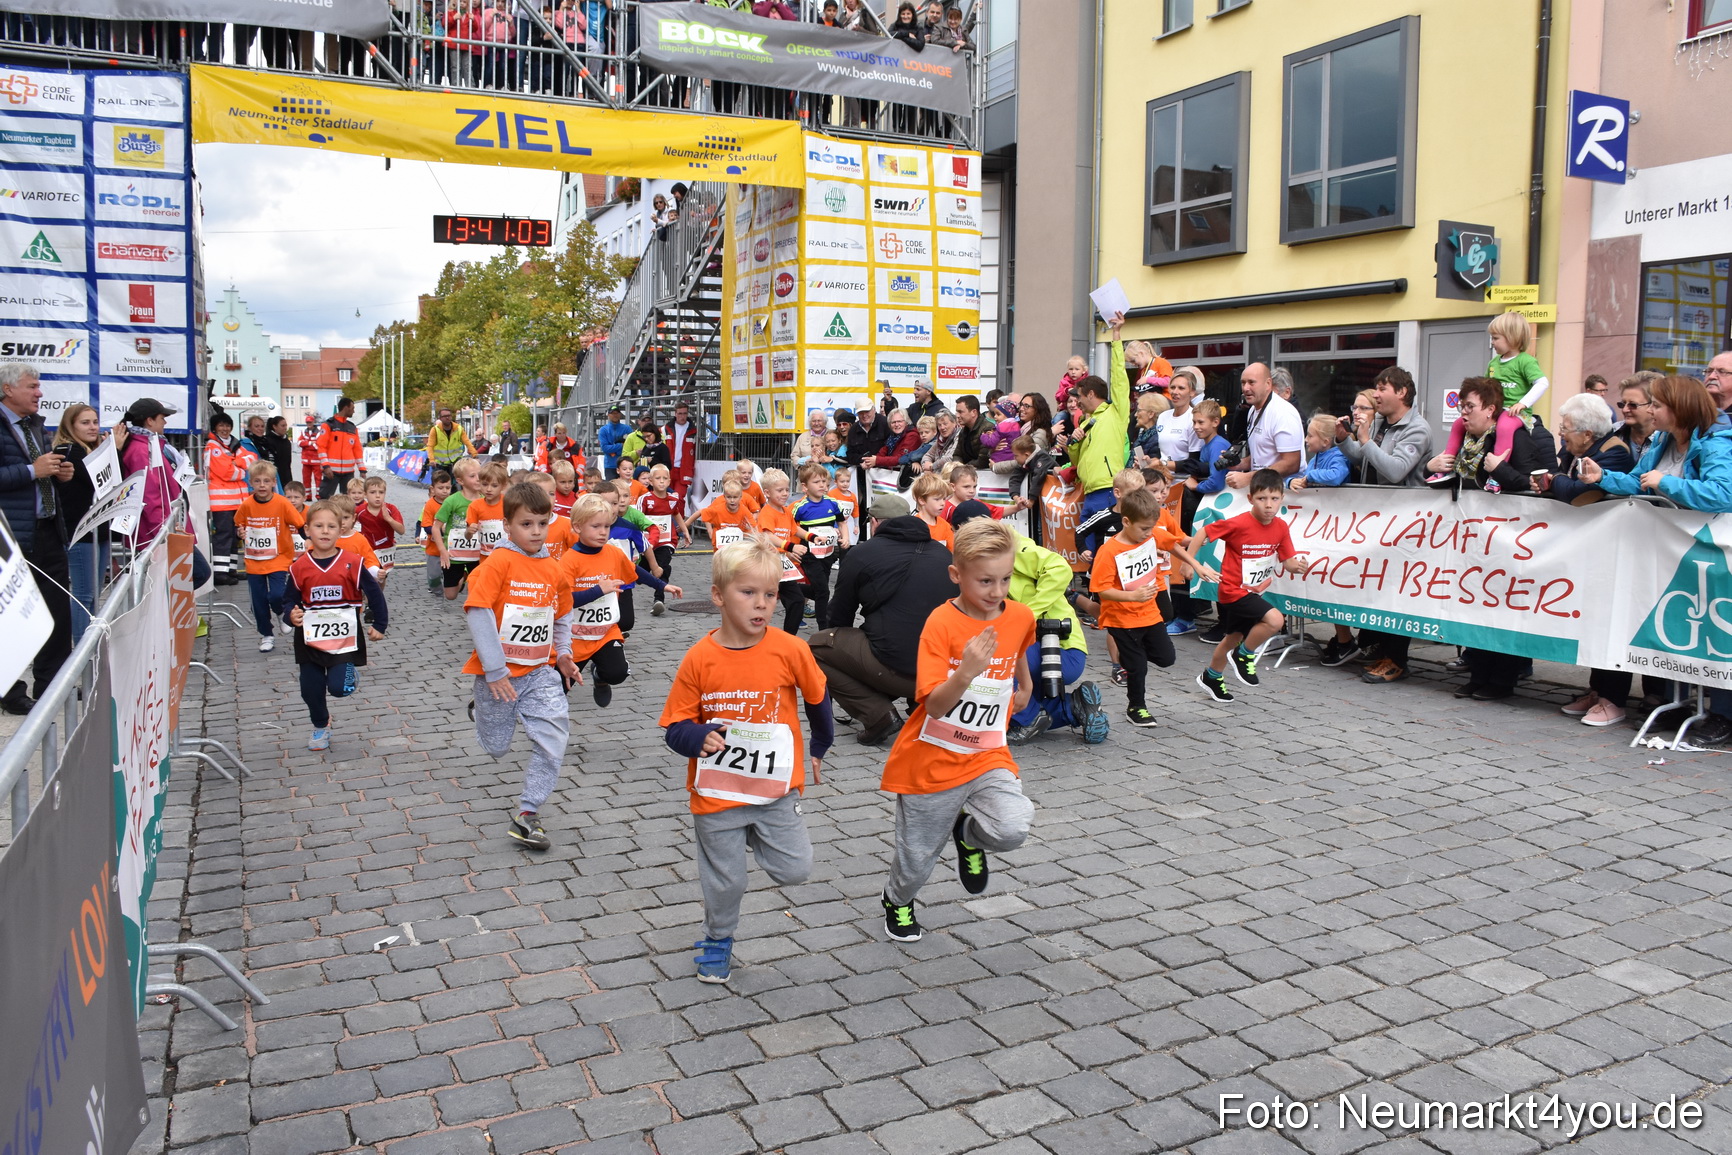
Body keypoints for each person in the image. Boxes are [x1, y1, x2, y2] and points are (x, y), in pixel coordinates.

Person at [659, 535, 833, 984]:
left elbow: (818, 698)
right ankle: (718, 939)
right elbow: (675, 729)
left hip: (774, 788)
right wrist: (698, 737)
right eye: (748, 593)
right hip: (717, 795)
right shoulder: (699, 659)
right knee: (726, 881)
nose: (762, 605)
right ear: (718, 595)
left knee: (795, 870)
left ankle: (757, 835)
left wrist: (819, 746)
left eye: (770, 595)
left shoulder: (790, 649)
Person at [875, 520, 1035, 943]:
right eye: (985, 581)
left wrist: (1026, 683)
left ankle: (968, 833)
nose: (997, 591)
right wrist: (965, 672)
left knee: (1013, 825)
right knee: (916, 858)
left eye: (1005, 579)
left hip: (987, 755)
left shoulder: (1018, 614)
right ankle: (898, 899)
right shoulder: (940, 624)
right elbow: (935, 705)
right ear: (956, 575)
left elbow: (1018, 645)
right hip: (933, 759)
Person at [462, 481, 580, 850]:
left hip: (540, 673)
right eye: (527, 524)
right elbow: (478, 611)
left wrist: (563, 654)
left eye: (542, 524)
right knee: (496, 747)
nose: (536, 532)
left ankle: (528, 813)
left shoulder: (555, 569)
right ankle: (481, 707)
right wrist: (494, 670)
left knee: (553, 739)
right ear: (508, 525)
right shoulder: (498, 562)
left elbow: (562, 615)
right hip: (498, 677)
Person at [811, 493, 955, 746]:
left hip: (895, 666)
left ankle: (878, 715)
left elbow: (840, 616)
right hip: (943, 670)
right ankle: (921, 710)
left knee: (816, 647)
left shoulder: (863, 553)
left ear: (875, 522)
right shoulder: (944, 555)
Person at [1331, 366, 1435, 680]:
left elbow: (1395, 471)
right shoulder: (1381, 424)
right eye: (1375, 388)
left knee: (1397, 592)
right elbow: (1366, 460)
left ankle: (1397, 660)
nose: (1376, 395)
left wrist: (1363, 439)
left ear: (1402, 392)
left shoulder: (1417, 428)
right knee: (1377, 589)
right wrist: (1344, 441)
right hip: (1378, 522)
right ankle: (1381, 651)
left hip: (1405, 523)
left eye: (1382, 388)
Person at [1093, 487, 1217, 729]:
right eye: (1143, 529)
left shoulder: (1150, 535)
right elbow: (1102, 589)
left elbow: (1172, 544)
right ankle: (1136, 707)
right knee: (1137, 667)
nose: (1148, 534)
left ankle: (1133, 656)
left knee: (1166, 659)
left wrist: (1195, 564)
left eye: (1151, 528)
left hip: (1149, 614)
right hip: (1121, 619)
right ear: (1126, 521)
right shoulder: (1108, 552)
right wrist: (1133, 597)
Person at [1191, 469, 1312, 705]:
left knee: (1231, 638)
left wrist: (1298, 566)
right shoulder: (1239, 523)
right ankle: (1245, 655)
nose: (1268, 505)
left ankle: (1212, 677)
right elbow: (1205, 531)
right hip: (1233, 591)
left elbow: (1287, 562)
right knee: (1275, 620)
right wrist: (1191, 563)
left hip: (1254, 590)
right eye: (1262, 498)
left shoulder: (1281, 527)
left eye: (1274, 499)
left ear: (1282, 499)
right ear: (1250, 499)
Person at [283, 500, 388, 752]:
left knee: (340, 688)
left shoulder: (353, 562)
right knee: (310, 688)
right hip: (309, 641)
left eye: (332, 526)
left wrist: (380, 624)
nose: (325, 531)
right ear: (307, 530)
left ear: (341, 530)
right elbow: (288, 600)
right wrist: (291, 615)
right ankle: (320, 726)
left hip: (345, 641)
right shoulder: (298, 567)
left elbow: (374, 594)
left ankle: (350, 673)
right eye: (319, 526)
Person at [0, 364, 74, 713]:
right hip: (12, 539)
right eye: (32, 387)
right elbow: (26, 472)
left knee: (57, 611)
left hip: (47, 531)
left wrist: (60, 475)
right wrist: (34, 470)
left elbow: (44, 471)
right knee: (12, 617)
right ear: (7, 389)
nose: (39, 393)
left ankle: (53, 683)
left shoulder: (36, 426)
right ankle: (11, 692)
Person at [1427, 312, 1551, 493]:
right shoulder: (1494, 363)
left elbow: (1542, 383)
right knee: (1457, 424)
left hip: (1514, 412)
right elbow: (1485, 389)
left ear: (1512, 337)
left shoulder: (1526, 361)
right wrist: (1430, 467)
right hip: (1500, 410)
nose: (1492, 342)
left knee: (1505, 428)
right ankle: (1446, 466)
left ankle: (1495, 475)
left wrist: (1523, 403)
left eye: (1495, 338)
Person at [1056, 313, 1133, 557]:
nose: (1075, 400)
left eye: (1078, 395)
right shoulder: (1086, 422)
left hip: (1110, 491)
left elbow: (1119, 379)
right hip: (1089, 493)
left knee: (1106, 552)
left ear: (1090, 394)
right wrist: (1074, 443)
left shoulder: (1115, 412)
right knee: (1088, 554)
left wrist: (1116, 336)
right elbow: (1078, 463)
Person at [52, 403, 126, 644]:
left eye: (95, 422)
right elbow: (97, 480)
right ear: (70, 425)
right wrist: (111, 451)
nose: (93, 427)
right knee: (83, 594)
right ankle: (81, 650)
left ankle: (91, 646)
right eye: (85, 423)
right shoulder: (68, 451)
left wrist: (110, 452)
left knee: (94, 594)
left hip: (99, 530)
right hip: (80, 533)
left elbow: (117, 483)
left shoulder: (90, 451)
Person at [1425, 377, 1554, 494]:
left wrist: (1499, 470)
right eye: (1462, 406)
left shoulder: (1517, 438)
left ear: (1490, 410)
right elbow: (1445, 482)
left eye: (1470, 406)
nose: (1464, 412)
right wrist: (1429, 468)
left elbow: (1531, 485)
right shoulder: (1464, 438)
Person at [237, 460, 304, 651]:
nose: (262, 486)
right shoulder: (246, 504)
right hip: (254, 560)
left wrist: (310, 543)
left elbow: (299, 524)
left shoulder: (282, 503)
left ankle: (281, 611)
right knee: (258, 601)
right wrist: (239, 533)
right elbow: (238, 524)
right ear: (251, 483)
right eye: (257, 481)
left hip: (279, 558)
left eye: (266, 481)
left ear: (274, 482)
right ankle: (266, 634)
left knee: (276, 594)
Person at [1542, 393, 1633, 507]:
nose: (1560, 433)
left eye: (1564, 428)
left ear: (1587, 435)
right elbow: (1563, 480)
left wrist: (1554, 480)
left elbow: (1577, 496)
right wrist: (1545, 482)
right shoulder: (1574, 449)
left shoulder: (1615, 452)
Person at [1224, 362, 1303, 489]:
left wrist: (1249, 477)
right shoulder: (1252, 411)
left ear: (1268, 384)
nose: (1245, 388)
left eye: (1251, 382)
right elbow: (1263, 455)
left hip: (1285, 494)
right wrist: (1239, 464)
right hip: (1262, 489)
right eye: (1243, 383)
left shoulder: (1283, 413)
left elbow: (1292, 463)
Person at [205, 411, 258, 585]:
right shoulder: (213, 446)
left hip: (237, 501)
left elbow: (253, 459)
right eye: (221, 425)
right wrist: (242, 471)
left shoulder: (232, 445)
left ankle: (231, 569)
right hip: (222, 502)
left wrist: (237, 463)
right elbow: (226, 472)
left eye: (227, 425)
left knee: (236, 536)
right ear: (215, 427)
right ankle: (220, 573)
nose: (225, 429)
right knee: (224, 535)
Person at [792, 464, 845, 630]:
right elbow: (792, 527)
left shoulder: (832, 502)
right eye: (816, 482)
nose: (822, 485)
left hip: (828, 553)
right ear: (805, 487)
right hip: (809, 554)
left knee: (819, 590)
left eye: (824, 481)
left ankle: (793, 590)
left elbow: (842, 521)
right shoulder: (800, 507)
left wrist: (846, 537)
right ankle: (824, 628)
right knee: (823, 592)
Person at [636, 462, 685, 616]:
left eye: (665, 478)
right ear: (651, 481)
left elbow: (676, 513)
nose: (662, 481)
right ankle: (643, 573)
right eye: (658, 478)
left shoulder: (672, 499)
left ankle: (659, 600)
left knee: (661, 567)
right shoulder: (645, 499)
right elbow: (637, 519)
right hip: (648, 542)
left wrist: (685, 531)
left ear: (669, 481)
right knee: (641, 573)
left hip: (666, 541)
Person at [434, 458, 485, 600]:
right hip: (454, 554)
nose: (478, 479)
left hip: (477, 553)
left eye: (480, 475)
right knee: (451, 596)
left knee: (478, 588)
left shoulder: (484, 499)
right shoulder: (452, 501)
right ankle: (462, 578)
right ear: (460, 481)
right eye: (472, 476)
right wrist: (443, 551)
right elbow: (435, 527)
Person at [356, 476, 406, 583]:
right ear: (365, 494)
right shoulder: (359, 511)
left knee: (381, 579)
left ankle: (377, 598)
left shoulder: (391, 509)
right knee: (367, 577)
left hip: (385, 551)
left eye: (381, 492)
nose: (377, 496)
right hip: (367, 550)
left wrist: (389, 519)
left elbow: (401, 530)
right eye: (373, 492)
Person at [316, 397, 363, 498]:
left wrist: (362, 469)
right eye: (352, 408)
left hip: (349, 472)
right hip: (331, 471)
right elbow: (321, 447)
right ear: (346, 407)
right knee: (325, 498)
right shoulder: (328, 425)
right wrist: (326, 466)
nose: (354, 411)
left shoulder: (352, 427)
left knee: (349, 500)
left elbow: (357, 450)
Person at [464, 461, 512, 560]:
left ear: (503, 486)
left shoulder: (509, 503)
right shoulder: (474, 506)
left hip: (507, 557)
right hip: (485, 558)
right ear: (479, 483)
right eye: (485, 484)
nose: (489, 489)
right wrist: (469, 531)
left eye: (494, 486)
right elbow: (467, 536)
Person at [1287, 416, 1349, 489]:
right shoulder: (1313, 461)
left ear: (1325, 442)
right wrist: (1291, 482)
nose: (1305, 439)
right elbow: (1304, 478)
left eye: (1310, 436)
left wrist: (1312, 475)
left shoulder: (1339, 457)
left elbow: (1336, 477)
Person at [420, 471, 454, 596]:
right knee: (434, 575)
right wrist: (440, 530)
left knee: (450, 572)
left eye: (448, 488)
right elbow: (427, 526)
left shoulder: (453, 501)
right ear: (432, 489)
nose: (445, 491)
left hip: (451, 547)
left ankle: (450, 589)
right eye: (440, 488)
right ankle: (437, 590)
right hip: (433, 549)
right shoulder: (430, 505)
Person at [665, 400, 700, 500]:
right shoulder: (666, 429)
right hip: (668, 469)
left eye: (685, 413)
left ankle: (678, 516)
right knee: (667, 499)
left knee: (679, 498)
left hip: (684, 470)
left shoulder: (694, 430)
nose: (682, 416)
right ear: (675, 414)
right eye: (680, 413)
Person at [259, 415, 294, 490]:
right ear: (274, 427)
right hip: (273, 477)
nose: (285, 428)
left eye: (286, 425)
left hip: (286, 477)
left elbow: (287, 462)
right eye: (282, 426)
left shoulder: (286, 441)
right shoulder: (267, 441)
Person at [597, 406, 631, 477]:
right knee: (611, 487)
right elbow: (605, 448)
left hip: (625, 465)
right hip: (610, 465)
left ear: (620, 414)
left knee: (626, 487)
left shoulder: (627, 428)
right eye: (612, 413)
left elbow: (630, 446)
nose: (615, 415)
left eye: (616, 413)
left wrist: (613, 449)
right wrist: (621, 445)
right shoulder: (603, 430)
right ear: (608, 415)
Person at [298, 415, 324, 494]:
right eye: (307, 422)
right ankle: (307, 495)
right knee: (306, 479)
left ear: (313, 422)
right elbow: (299, 443)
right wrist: (310, 443)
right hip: (306, 461)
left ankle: (319, 495)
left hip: (316, 461)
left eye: (310, 422)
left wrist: (306, 444)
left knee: (318, 479)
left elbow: (318, 446)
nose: (308, 424)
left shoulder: (319, 432)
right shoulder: (303, 432)